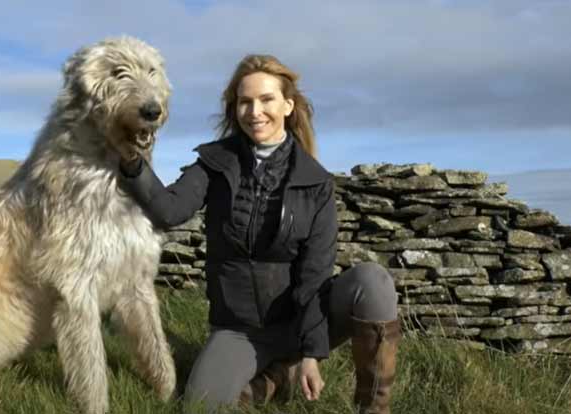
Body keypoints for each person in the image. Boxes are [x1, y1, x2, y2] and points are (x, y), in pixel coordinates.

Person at [115, 54, 401, 414]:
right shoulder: (214, 163)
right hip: (238, 331)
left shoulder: (315, 181)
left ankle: (372, 408)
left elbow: (315, 274)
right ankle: (276, 377)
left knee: (372, 281)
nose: (254, 111)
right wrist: (132, 164)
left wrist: (312, 353)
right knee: (201, 407)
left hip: (299, 323)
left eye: (266, 100)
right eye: (245, 101)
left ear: (287, 105)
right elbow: (170, 211)